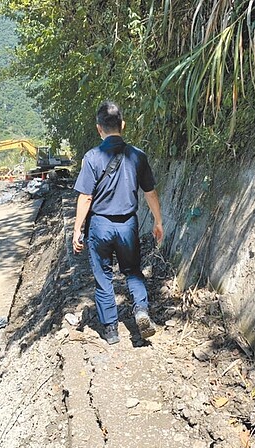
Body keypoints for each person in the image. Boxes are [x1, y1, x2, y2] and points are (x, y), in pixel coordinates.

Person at [73, 100, 164, 345]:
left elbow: (86, 197)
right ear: (122, 125)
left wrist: (77, 229)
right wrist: (158, 221)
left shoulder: (92, 157)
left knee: (103, 277)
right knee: (133, 271)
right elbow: (150, 193)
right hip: (127, 225)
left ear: (98, 128)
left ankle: (111, 331)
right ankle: (141, 311)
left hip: (100, 226)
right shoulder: (138, 156)